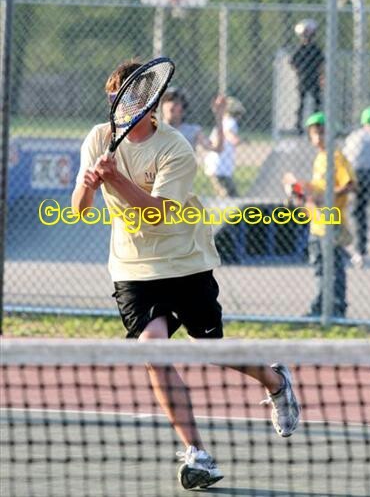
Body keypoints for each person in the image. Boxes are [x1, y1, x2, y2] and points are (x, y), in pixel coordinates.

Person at [72, 60, 300, 491]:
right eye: (117, 96)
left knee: (206, 348)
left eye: (134, 96)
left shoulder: (175, 148)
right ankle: (198, 454)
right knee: (152, 351)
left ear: (151, 101)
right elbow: (78, 208)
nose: (123, 104)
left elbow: (157, 214)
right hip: (133, 268)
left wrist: (116, 180)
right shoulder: (99, 139)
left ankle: (275, 380)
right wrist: (88, 184)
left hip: (184, 260)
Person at [283, 112, 356, 318]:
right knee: (319, 268)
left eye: (323, 132)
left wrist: (327, 197)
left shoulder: (337, 157)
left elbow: (350, 184)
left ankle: (337, 309)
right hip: (317, 222)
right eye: (315, 133)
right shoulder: (320, 158)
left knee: (333, 268)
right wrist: (302, 190)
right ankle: (320, 309)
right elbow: (318, 188)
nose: (319, 137)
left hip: (332, 221)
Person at [343, 106, 370, 267]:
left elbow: (346, 156)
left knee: (358, 212)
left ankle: (360, 251)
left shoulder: (354, 136)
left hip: (356, 175)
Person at [160, 87, 225, 152]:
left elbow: (217, 148)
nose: (171, 105)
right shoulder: (154, 129)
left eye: (176, 102)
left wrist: (219, 116)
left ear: (183, 108)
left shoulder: (192, 131)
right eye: (167, 101)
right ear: (161, 106)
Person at [204, 96, 244, 198]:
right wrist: (240, 140)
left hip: (218, 166)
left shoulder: (225, 120)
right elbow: (229, 135)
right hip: (220, 167)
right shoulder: (230, 121)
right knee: (230, 197)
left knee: (226, 196)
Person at [290, 19, 324, 134]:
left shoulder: (315, 49)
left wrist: (321, 77)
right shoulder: (299, 49)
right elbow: (293, 62)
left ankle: (316, 125)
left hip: (313, 78)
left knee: (317, 103)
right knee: (301, 103)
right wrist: (301, 71)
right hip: (303, 78)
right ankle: (299, 126)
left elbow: (321, 64)